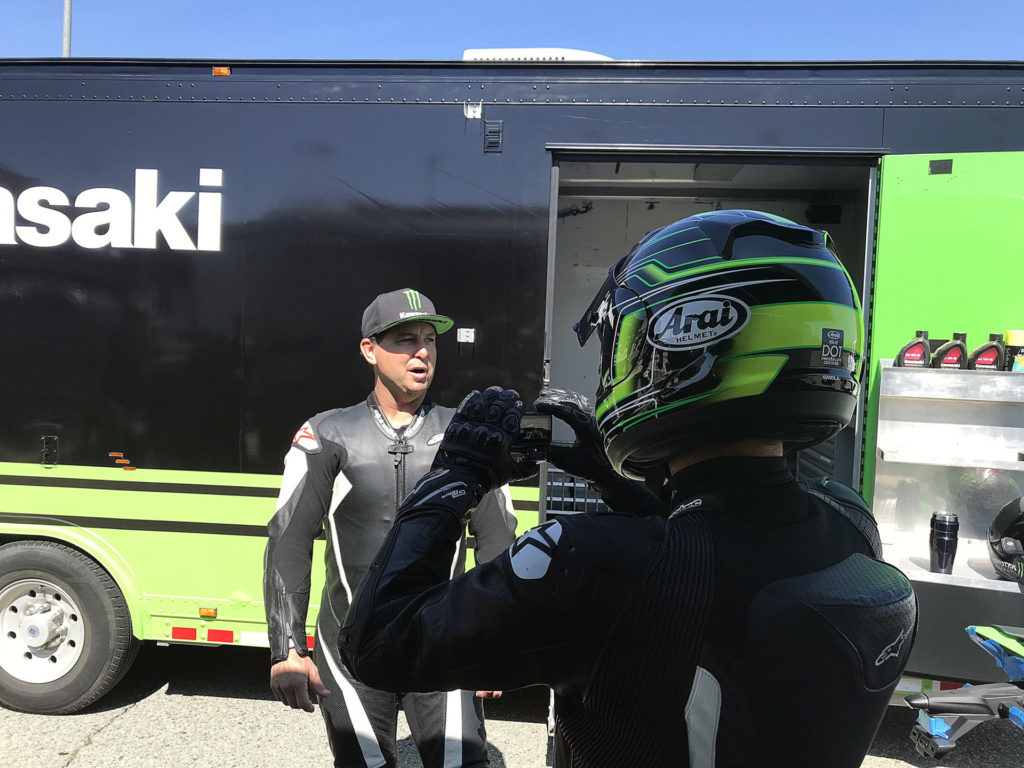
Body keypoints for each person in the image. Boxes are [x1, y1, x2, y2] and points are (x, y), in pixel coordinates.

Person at [337, 211, 919, 768]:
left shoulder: (595, 562)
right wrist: (617, 484)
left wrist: (455, 475)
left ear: (686, 342)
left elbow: (378, 643)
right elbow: (720, 550)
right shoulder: (848, 523)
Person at [263, 288, 517, 768]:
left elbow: (498, 541)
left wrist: (495, 641)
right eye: (405, 340)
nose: (421, 351)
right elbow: (289, 539)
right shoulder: (326, 435)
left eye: (429, 340)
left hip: (445, 647)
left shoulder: (466, 435)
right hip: (351, 651)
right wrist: (287, 648)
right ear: (369, 350)